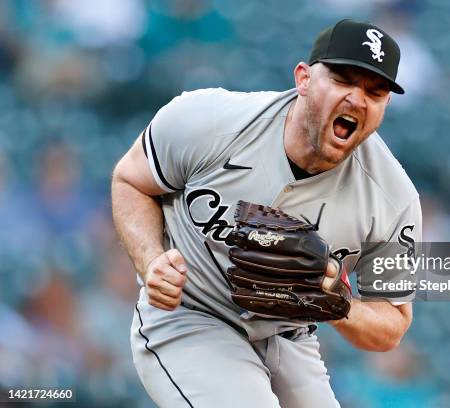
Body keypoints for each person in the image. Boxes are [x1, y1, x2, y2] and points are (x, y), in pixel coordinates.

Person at [112, 19, 421, 407]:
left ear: (385, 106)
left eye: (374, 92)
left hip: (290, 337)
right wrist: (150, 259)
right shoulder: (209, 121)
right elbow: (130, 180)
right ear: (304, 78)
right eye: (343, 80)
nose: (357, 100)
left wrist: (339, 304)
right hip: (192, 316)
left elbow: (391, 325)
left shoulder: (393, 199)